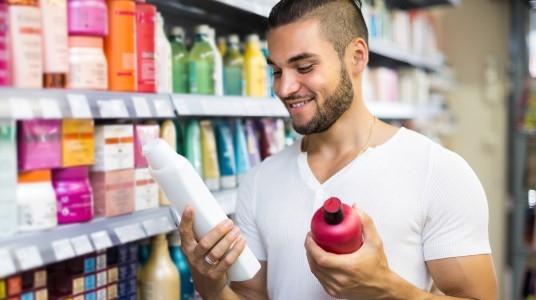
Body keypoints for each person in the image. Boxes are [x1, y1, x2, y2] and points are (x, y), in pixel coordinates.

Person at [177, 0, 499, 299]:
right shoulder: (259, 182)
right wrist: (212, 286)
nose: (283, 88)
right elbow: (251, 295)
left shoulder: (437, 171)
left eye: (303, 67)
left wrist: (387, 288)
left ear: (357, 57)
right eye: (276, 71)